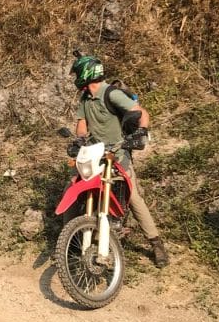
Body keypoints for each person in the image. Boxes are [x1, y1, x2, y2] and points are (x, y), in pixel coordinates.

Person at [70, 53, 170, 268]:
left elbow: (140, 112)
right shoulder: (86, 98)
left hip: (118, 154)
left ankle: (156, 243)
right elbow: (82, 123)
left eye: (77, 73)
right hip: (96, 153)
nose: (76, 78)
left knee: (133, 198)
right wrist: (79, 139)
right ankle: (72, 239)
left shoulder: (111, 93)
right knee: (75, 186)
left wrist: (141, 132)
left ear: (87, 73)